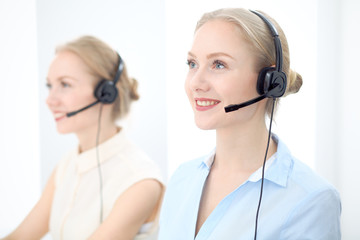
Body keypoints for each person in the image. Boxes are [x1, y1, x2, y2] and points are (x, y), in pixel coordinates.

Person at [159, 8, 341, 240]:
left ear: (269, 81)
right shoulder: (182, 179)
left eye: (219, 64)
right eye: (192, 63)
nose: (196, 82)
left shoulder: (311, 200)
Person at [3, 36, 164, 240]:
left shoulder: (139, 181)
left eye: (65, 84)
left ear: (106, 93)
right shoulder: (68, 165)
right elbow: (22, 236)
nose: (50, 100)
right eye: (49, 86)